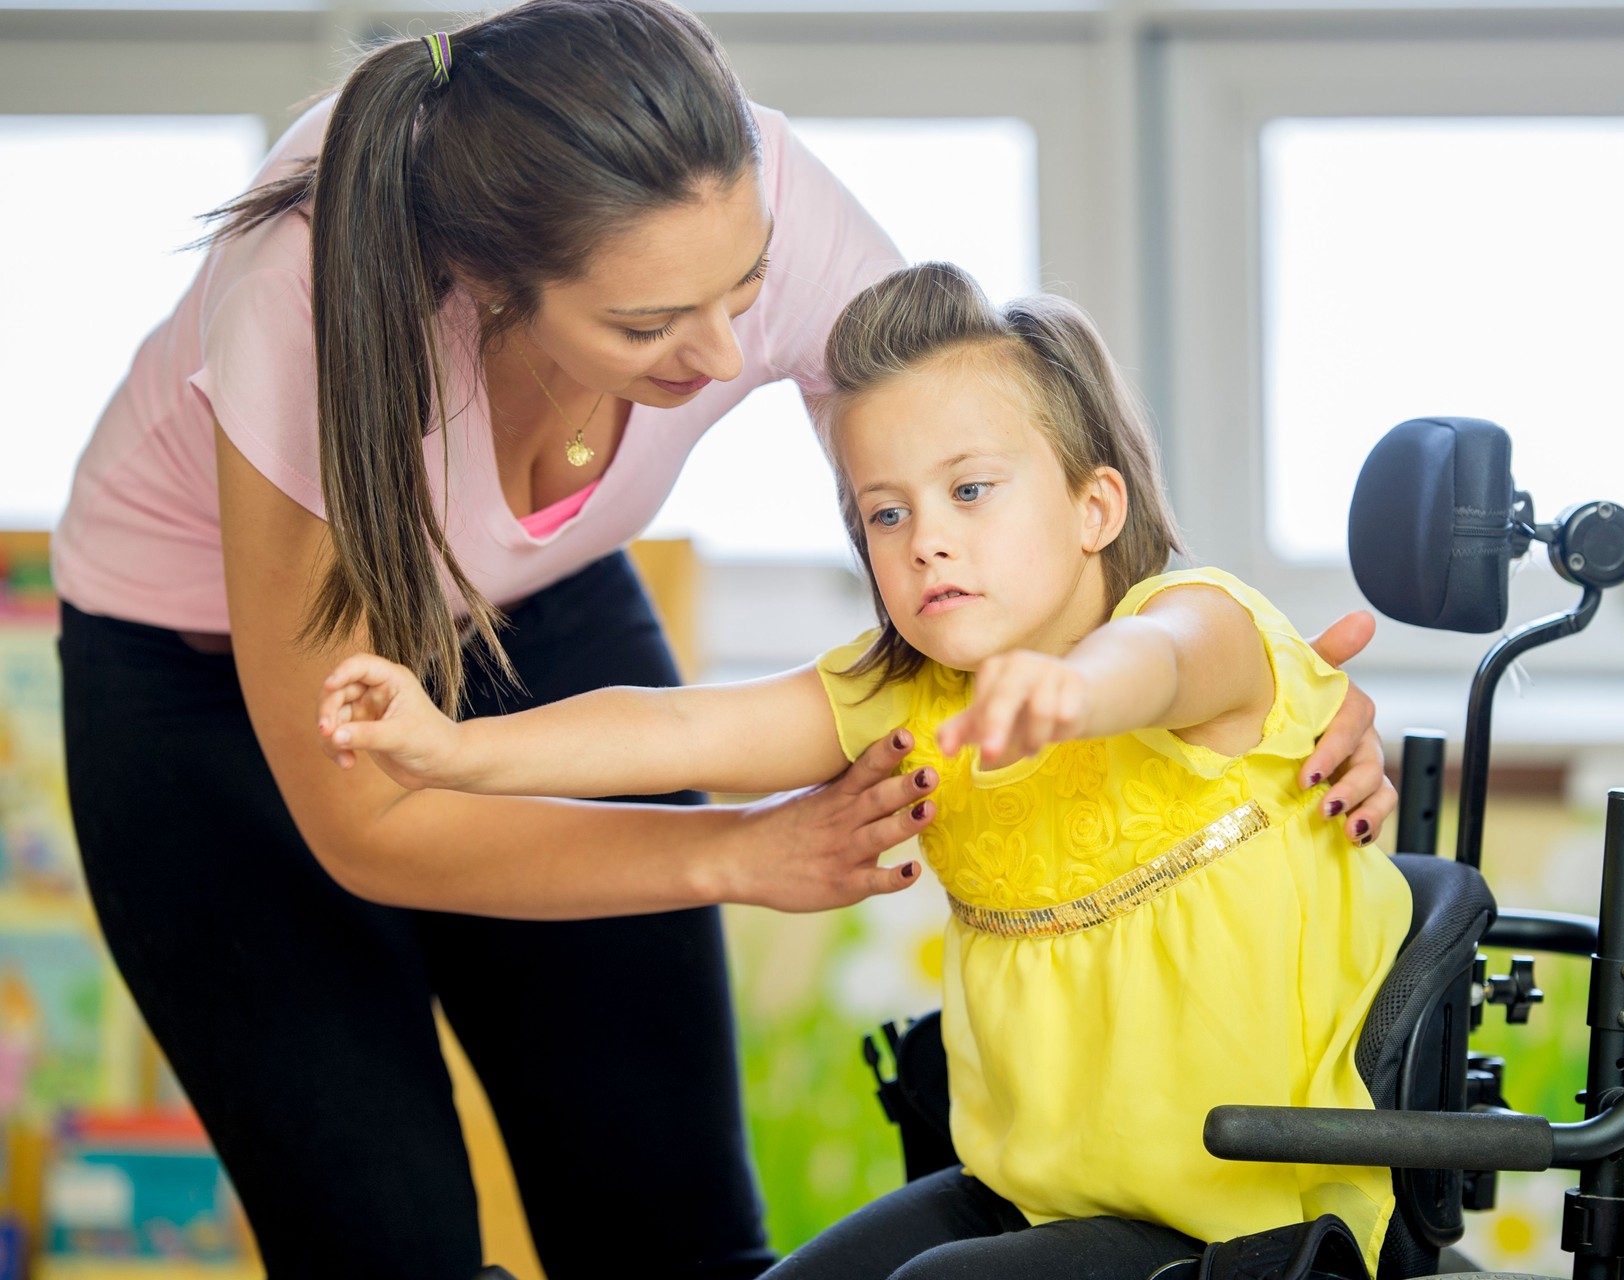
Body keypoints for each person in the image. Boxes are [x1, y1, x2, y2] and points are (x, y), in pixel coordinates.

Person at [52, 3, 1393, 1277]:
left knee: (671, 1234)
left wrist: (1250, 689)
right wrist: (736, 850)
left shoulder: (755, 191)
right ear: (494, 288)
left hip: (540, 604)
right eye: (647, 327)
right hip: (198, 682)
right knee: (383, 1250)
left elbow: (1022, 467)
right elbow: (370, 822)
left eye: (744, 291)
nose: (724, 351)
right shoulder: (311, 306)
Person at [315, 262, 1414, 1279]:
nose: (925, 539)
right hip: (1034, 1194)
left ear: (1097, 506)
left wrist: (1074, 693)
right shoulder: (914, 693)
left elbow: (1159, 663)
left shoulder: (1201, 620)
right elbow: (682, 731)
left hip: (1246, 1214)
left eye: (971, 491)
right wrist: (452, 749)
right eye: (886, 513)